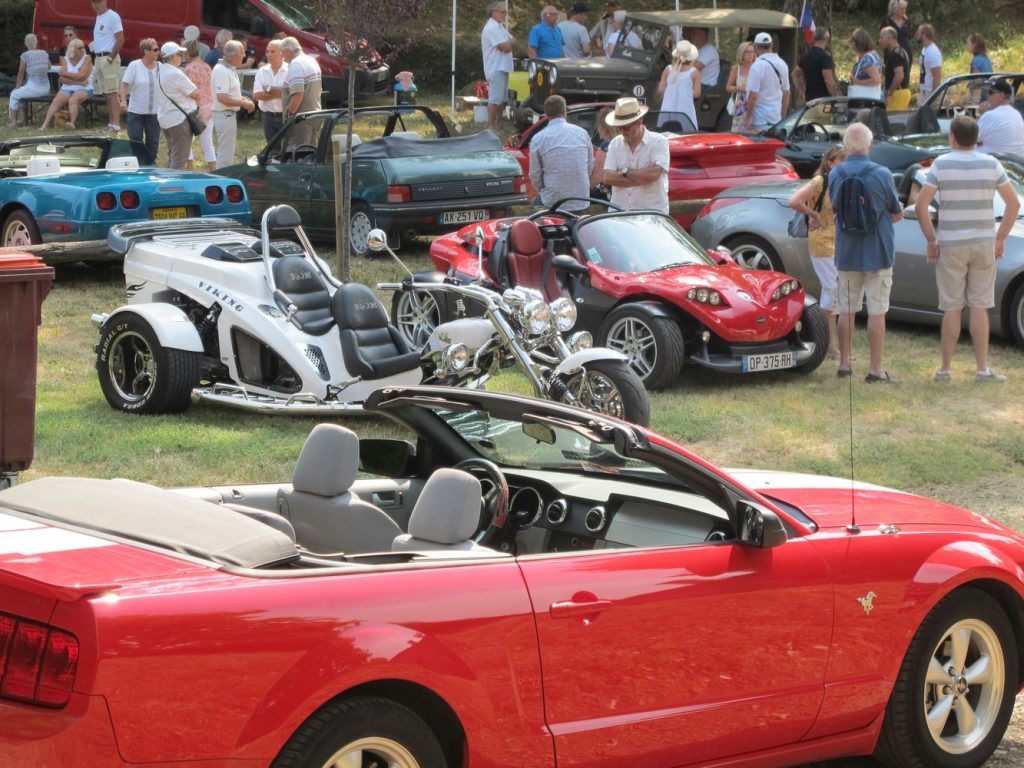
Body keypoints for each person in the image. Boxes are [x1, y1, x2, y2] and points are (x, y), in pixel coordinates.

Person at [914, 115, 1019, 382]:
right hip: (983, 241)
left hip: (951, 243)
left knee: (952, 307)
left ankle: (945, 369)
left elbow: (921, 205)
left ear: (952, 137)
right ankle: (982, 368)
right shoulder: (992, 163)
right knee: (980, 306)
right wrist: (1000, 238)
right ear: (977, 139)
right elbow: (1013, 204)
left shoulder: (941, 164)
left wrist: (931, 239)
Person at [828, 122, 904, 383]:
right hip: (878, 250)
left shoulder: (835, 174)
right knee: (877, 311)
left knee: (847, 309)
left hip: (847, 251)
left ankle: (845, 364)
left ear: (846, 146)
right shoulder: (882, 174)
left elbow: (835, 209)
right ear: (870, 145)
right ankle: (875, 369)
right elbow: (895, 210)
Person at [788, 144, 847, 359]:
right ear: (830, 163)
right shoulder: (820, 181)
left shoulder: (843, 180)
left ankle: (827, 344)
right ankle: (825, 341)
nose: (845, 163)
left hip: (839, 241)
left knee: (833, 292)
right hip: (822, 242)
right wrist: (812, 214)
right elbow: (794, 201)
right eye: (841, 159)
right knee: (833, 290)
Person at [602, 96, 669, 214]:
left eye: (626, 127)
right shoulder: (615, 143)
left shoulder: (659, 141)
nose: (622, 131)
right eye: (619, 127)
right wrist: (643, 177)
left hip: (650, 214)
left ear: (640, 121)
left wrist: (624, 172)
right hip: (619, 213)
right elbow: (607, 178)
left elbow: (652, 175)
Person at [529, 95, 593, 211]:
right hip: (581, 200)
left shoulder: (538, 138)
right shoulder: (582, 133)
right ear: (564, 111)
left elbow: (535, 175)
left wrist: (545, 189)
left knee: (533, 206)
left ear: (546, 114)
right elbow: (589, 167)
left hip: (552, 202)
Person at [156, 41, 200, 170]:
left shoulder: (162, 71)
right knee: (179, 160)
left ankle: (168, 180)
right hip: (179, 120)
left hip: (168, 119)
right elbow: (196, 93)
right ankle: (173, 183)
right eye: (180, 54)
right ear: (173, 56)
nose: (181, 57)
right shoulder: (175, 73)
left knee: (173, 156)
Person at [211, 40, 255, 170]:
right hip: (224, 115)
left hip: (228, 115)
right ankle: (221, 178)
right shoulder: (221, 70)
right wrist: (242, 103)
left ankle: (223, 176)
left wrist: (243, 99)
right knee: (225, 154)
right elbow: (222, 97)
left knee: (228, 152)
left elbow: (229, 94)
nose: (244, 56)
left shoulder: (229, 69)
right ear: (234, 55)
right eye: (242, 53)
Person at [119, 38, 163, 164]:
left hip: (155, 111)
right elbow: (124, 84)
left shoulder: (161, 67)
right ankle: (138, 163)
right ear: (146, 51)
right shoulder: (135, 65)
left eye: (158, 50)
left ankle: (150, 164)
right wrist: (123, 101)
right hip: (136, 110)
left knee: (153, 142)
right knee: (135, 139)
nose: (158, 52)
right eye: (155, 50)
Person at [40, 38, 92, 131]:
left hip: (84, 88)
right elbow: (61, 79)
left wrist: (65, 73)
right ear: (73, 49)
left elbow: (81, 75)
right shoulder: (65, 59)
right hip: (71, 86)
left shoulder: (87, 58)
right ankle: (45, 125)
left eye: (83, 47)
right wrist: (78, 81)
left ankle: (72, 124)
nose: (82, 50)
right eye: (79, 48)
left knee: (73, 100)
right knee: (56, 101)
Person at [743, 32, 790, 132]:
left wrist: (748, 119)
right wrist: (783, 117)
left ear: (755, 47)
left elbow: (753, 96)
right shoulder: (783, 64)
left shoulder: (757, 66)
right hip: (776, 119)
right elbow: (786, 93)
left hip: (759, 120)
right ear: (771, 45)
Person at [89, 0, 124, 133]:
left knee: (112, 93)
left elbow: (120, 39)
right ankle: (111, 123)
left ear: (105, 1)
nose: (96, 5)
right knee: (106, 93)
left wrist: (110, 57)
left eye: (98, 2)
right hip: (99, 58)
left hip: (108, 57)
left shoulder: (112, 16)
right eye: (93, 2)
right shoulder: (98, 17)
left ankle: (116, 125)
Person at [281, 37, 322, 148]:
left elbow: (298, 93)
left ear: (288, 51)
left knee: (297, 151)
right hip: (315, 114)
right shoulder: (311, 60)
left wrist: (291, 114)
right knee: (311, 150)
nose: (282, 57)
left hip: (301, 118)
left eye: (282, 53)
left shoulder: (296, 64)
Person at [480, 1, 515, 134]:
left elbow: (512, 40)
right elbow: (505, 47)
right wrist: (508, 43)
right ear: (493, 12)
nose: (505, 14)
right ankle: (491, 126)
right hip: (496, 67)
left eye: (505, 12)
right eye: (502, 12)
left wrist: (508, 43)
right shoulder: (491, 28)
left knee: (503, 99)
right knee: (494, 99)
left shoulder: (499, 27)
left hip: (503, 67)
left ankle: (499, 123)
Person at [182, 40, 215, 172]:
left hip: (196, 108)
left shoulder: (189, 69)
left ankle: (189, 170)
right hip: (210, 106)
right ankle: (214, 169)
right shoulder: (207, 66)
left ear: (187, 53)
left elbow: (188, 90)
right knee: (207, 142)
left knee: (187, 141)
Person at [9, 34, 51, 127]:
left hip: (34, 89)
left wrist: (17, 87)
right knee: (23, 92)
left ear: (25, 43)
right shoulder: (44, 53)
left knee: (14, 94)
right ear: (36, 42)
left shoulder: (25, 55)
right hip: (46, 88)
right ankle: (24, 119)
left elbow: (21, 72)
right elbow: (49, 67)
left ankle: (14, 123)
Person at [657, 41, 700, 132]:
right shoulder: (694, 72)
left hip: (668, 111)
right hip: (685, 112)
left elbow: (660, 90)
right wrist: (685, 92)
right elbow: (697, 93)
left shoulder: (668, 69)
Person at [253, 39, 288, 144]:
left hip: (286, 116)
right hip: (268, 117)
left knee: (287, 149)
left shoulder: (290, 69)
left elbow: (289, 93)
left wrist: (268, 90)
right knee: (272, 149)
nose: (269, 54)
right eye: (267, 51)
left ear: (282, 53)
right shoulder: (262, 71)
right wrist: (279, 92)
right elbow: (256, 95)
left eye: (273, 51)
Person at [977, 80, 1024, 157]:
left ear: (1002, 96)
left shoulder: (989, 115)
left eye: (990, 92)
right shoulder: (1016, 114)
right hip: (1017, 160)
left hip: (996, 160)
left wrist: (982, 115)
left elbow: (971, 140)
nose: (987, 95)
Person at [792, 28, 836, 103]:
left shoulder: (806, 57)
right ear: (826, 39)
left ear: (814, 39)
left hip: (810, 101)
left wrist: (802, 92)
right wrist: (835, 97)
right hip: (824, 101)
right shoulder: (825, 57)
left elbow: (794, 74)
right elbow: (828, 80)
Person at [880, 26, 911, 110]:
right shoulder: (902, 51)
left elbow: (899, 75)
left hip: (897, 93)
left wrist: (889, 92)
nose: (879, 41)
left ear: (888, 37)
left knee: (892, 117)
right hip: (902, 91)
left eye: (881, 38)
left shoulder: (894, 55)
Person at [847, 28, 883, 101]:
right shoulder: (873, 55)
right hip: (871, 99)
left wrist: (858, 82)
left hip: (865, 101)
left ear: (857, 43)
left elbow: (876, 80)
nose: (852, 46)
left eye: (853, 43)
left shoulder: (867, 59)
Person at [726, 41, 754, 131]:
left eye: (752, 52)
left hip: (755, 104)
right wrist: (738, 88)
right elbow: (728, 87)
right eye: (747, 52)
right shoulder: (736, 69)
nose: (750, 54)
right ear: (742, 53)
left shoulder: (757, 67)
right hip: (741, 105)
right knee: (739, 132)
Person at [589, 106, 615, 198]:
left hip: (607, 196)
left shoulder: (605, 146)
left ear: (602, 127)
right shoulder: (624, 143)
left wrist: (580, 190)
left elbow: (597, 178)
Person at [917, 24, 942, 102]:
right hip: (924, 90)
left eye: (918, 33)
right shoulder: (925, 49)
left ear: (924, 35)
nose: (916, 35)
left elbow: (937, 76)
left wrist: (934, 97)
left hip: (929, 92)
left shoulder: (933, 52)